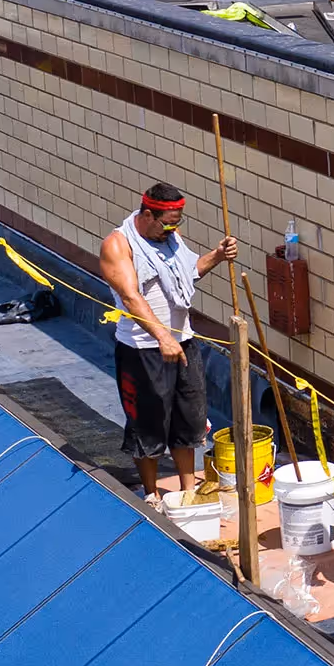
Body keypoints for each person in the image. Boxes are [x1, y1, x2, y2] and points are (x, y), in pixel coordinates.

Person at [97, 183, 237, 506]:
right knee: (148, 423)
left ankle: (189, 491)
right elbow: (132, 297)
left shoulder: (170, 238)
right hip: (142, 349)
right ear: (148, 215)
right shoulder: (118, 245)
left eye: (178, 223)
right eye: (168, 223)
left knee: (188, 419)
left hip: (182, 342)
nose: (174, 230)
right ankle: (151, 493)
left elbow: (189, 273)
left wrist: (217, 256)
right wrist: (162, 337)